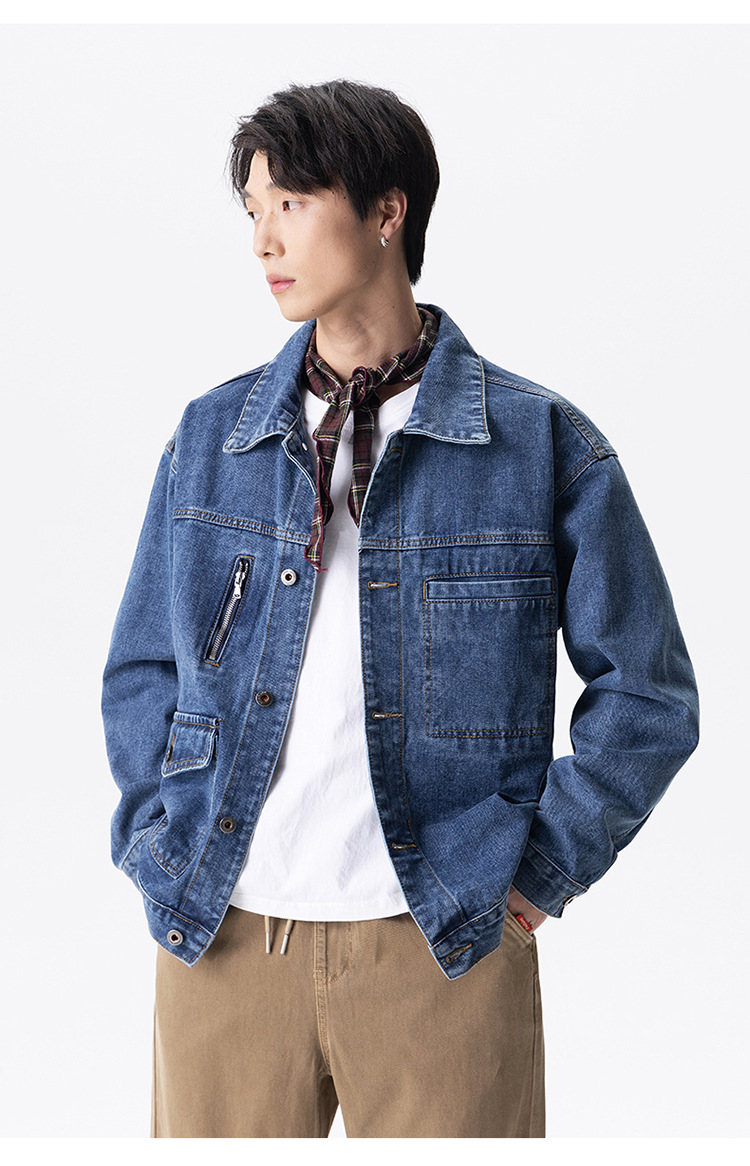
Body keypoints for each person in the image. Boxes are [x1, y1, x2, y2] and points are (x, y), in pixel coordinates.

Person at [101, 79, 699, 1139]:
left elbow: (648, 695)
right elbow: (142, 669)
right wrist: (163, 842)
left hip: (445, 947)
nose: (263, 239)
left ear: (388, 211)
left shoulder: (538, 444)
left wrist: (538, 872)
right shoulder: (212, 438)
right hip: (224, 939)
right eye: (253, 209)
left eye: (292, 203)